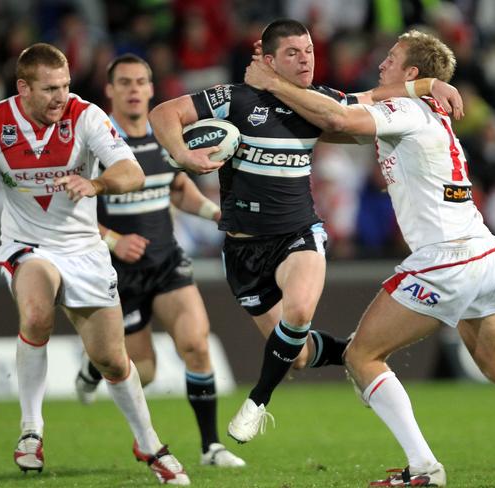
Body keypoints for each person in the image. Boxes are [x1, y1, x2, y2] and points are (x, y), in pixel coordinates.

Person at [245, 29, 495, 485]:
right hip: (482, 253)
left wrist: (271, 84)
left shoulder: (404, 108)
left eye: (392, 58)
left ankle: (424, 467)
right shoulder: (418, 110)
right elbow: (330, 122)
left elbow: (341, 120)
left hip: (446, 258)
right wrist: (279, 84)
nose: (382, 63)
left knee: (363, 356)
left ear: (411, 72)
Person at [149, 19, 461, 445]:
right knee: (296, 356)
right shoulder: (236, 99)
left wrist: (427, 87)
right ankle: (352, 354)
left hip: (299, 234)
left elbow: (372, 96)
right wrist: (181, 152)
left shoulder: (318, 101)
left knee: (298, 312)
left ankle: (257, 401)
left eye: (310, 50)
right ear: (270, 59)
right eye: (293, 53)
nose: (306, 59)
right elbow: (164, 113)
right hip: (242, 249)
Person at [0, 43, 190, 485]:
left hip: (85, 251)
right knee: (36, 313)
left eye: (66, 85)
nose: (61, 96)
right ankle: (31, 430)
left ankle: (148, 442)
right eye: (50, 88)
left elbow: (131, 173)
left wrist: (94, 183)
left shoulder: (87, 116)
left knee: (112, 360)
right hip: (27, 245)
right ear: (23, 87)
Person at [74, 53, 245, 468]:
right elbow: (67, 213)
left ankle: (211, 448)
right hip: (119, 274)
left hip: (167, 262)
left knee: (196, 345)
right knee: (143, 372)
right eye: (125, 82)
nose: (134, 89)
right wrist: (112, 239)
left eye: (141, 82)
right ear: (109, 91)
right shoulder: (97, 142)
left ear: (152, 90)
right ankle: (94, 367)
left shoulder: (163, 135)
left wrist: (214, 213)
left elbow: (178, 188)